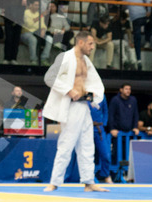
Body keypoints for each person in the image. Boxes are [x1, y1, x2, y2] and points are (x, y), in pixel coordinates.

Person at [43, 32, 109, 193]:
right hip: (71, 107)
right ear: (80, 42)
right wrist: (68, 90)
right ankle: (54, 182)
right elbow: (49, 77)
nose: (93, 47)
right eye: (90, 44)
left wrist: (94, 96)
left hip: (84, 106)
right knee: (66, 143)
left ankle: (89, 182)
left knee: (87, 145)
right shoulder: (64, 57)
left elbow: (94, 82)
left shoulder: (86, 61)